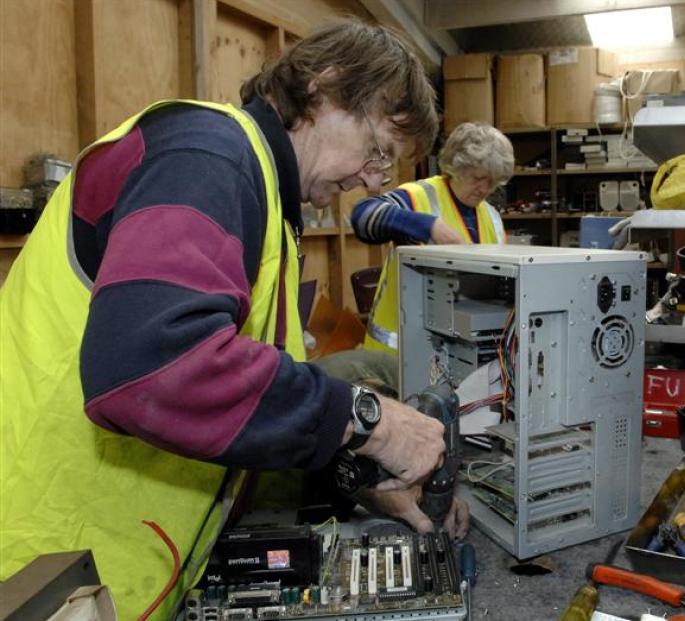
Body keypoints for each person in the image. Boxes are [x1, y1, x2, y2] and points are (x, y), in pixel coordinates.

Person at [0, 19, 466, 619]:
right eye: (378, 149)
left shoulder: (268, 205)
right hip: (42, 569)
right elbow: (153, 368)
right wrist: (372, 421)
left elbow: (247, 402)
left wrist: (352, 477)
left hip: (126, 567)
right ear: (325, 88)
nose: (370, 182)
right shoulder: (207, 153)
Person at [352, 122, 514, 355]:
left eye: (493, 181)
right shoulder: (419, 197)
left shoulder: (491, 217)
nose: (485, 188)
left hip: (456, 354)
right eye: (479, 177)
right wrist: (429, 226)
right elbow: (363, 216)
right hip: (396, 355)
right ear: (458, 166)